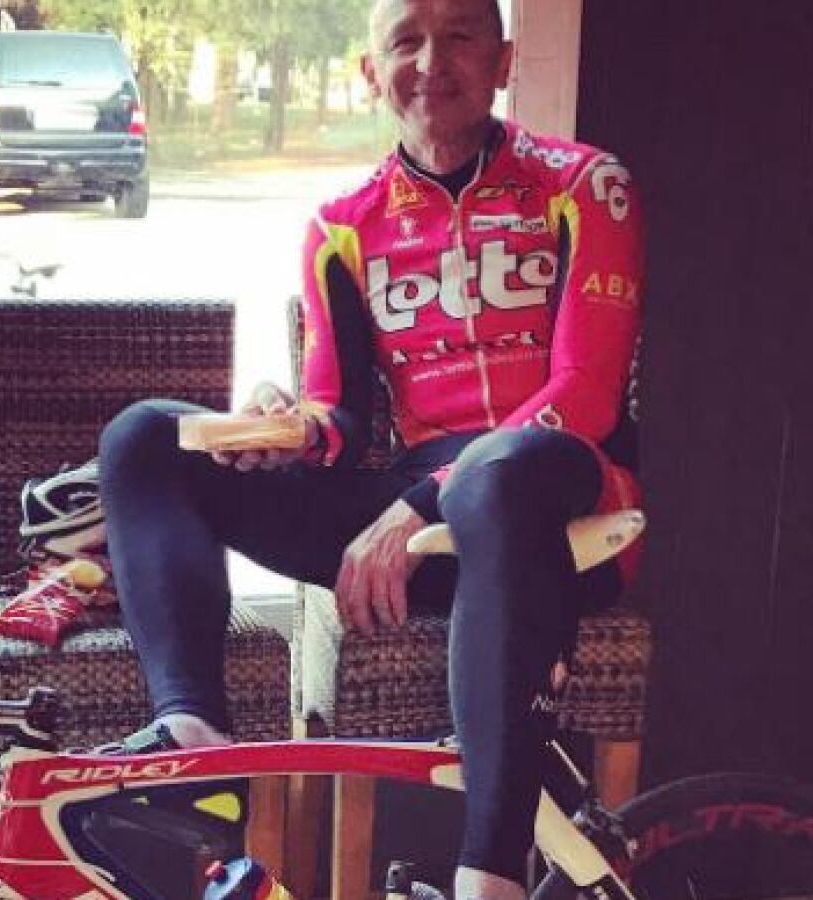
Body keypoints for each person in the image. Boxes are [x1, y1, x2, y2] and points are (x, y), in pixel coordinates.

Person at [97, 1, 643, 898]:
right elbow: (343, 418)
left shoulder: (585, 183)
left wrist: (416, 504)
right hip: (424, 527)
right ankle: (194, 742)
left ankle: (490, 876)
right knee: (145, 437)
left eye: (459, 36)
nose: (432, 62)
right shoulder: (342, 226)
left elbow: (585, 396)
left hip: (564, 513)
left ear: (504, 62)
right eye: (406, 42)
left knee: (491, 480)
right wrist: (287, 429)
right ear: (371, 73)